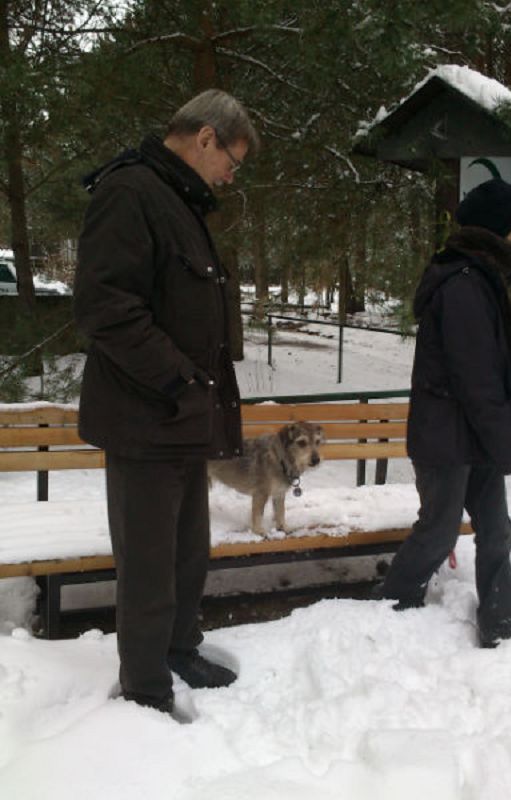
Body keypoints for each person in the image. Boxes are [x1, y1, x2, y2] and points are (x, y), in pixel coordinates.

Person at [74, 90, 259, 713]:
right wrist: (180, 382)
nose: (231, 176)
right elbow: (106, 309)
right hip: (144, 418)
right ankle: (146, 687)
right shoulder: (130, 192)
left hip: (184, 419)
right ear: (205, 137)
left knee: (186, 555)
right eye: (231, 160)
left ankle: (180, 648)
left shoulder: (178, 201)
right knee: (149, 565)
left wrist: (198, 398)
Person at [374, 178, 511, 648]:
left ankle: (500, 623)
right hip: (447, 436)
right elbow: (477, 377)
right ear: (499, 226)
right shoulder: (465, 284)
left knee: (496, 529)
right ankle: (388, 609)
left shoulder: (483, 276)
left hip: (474, 433)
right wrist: (507, 442)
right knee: (439, 531)